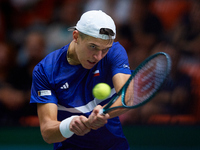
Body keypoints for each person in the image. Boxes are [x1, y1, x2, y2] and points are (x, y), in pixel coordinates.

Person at [30, 10, 131, 150]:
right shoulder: (46, 70)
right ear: (76, 36)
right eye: (93, 46)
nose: (98, 57)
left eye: (105, 49)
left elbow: (127, 97)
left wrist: (102, 113)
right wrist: (69, 125)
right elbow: (47, 132)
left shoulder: (115, 52)